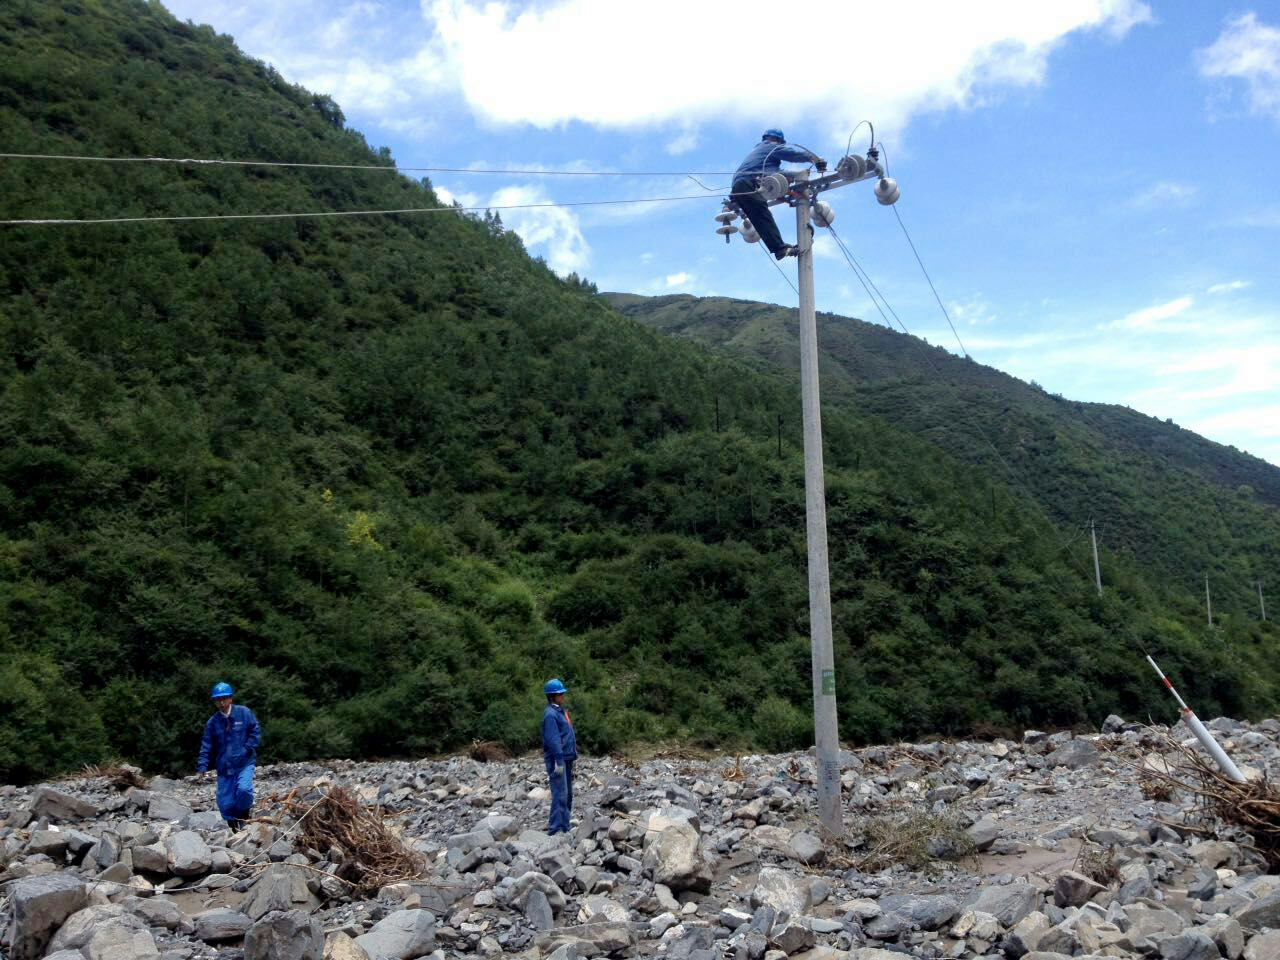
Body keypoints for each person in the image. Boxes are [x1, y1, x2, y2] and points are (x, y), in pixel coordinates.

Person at [731, 128, 826, 260]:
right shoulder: (771, 147)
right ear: (776, 140)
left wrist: (791, 193)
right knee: (762, 215)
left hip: (738, 188)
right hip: (748, 183)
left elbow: (775, 182)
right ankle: (779, 248)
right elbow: (792, 155)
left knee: (758, 218)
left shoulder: (761, 155)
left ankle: (778, 248)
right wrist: (814, 159)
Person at [196, 682, 261, 829]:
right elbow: (206, 745)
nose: (222, 702)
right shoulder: (212, 723)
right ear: (214, 702)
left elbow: (255, 731)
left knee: (244, 790)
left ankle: (243, 813)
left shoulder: (244, 713)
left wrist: (248, 748)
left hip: (244, 763)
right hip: (224, 767)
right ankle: (233, 826)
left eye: (224, 698)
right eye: (218, 699)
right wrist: (202, 766)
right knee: (225, 804)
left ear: (231, 698)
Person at [541, 678, 577, 835]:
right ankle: (555, 829)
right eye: (559, 693)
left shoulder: (560, 711)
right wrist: (558, 761)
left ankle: (564, 825)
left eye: (562, 693)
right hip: (558, 760)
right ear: (552, 696)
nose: (562, 695)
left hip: (566, 758)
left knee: (567, 794)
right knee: (560, 794)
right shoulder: (550, 715)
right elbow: (553, 740)